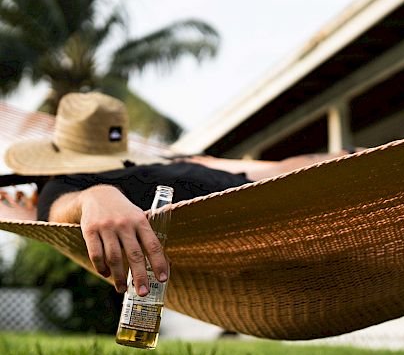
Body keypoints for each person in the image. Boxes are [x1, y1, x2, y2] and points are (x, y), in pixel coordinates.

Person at [3, 92, 359, 297]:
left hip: (291, 180)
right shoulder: (65, 185)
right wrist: (95, 197)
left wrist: (343, 159)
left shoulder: (152, 160)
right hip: (281, 207)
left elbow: (257, 168)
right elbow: (61, 211)